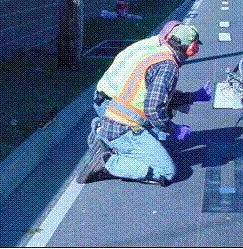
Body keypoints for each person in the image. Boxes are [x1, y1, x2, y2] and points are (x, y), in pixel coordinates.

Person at [77, 23, 213, 186]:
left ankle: (106, 134)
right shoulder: (168, 67)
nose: (196, 50)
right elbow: (153, 109)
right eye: (196, 46)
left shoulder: (158, 53)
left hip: (116, 116)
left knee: (167, 143)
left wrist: (193, 97)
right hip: (125, 126)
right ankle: (109, 161)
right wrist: (175, 129)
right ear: (190, 48)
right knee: (167, 171)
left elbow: (157, 97)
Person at [92, 20, 181, 117]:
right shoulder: (155, 57)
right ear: (167, 38)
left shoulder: (146, 43)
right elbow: (154, 99)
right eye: (179, 43)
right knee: (160, 122)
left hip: (103, 98)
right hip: (115, 105)